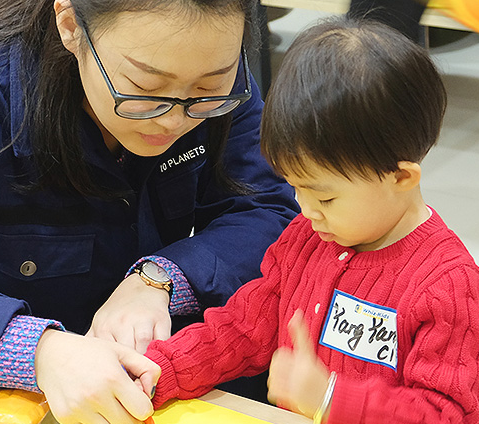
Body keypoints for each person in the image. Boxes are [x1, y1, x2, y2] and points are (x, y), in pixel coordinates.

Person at [144, 16, 479, 424]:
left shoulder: (448, 285)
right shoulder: (307, 238)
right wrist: (160, 369)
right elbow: (244, 328)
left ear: (401, 177)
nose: (305, 209)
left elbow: (448, 413)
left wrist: (330, 398)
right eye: (295, 188)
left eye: (325, 196)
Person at [0, 0, 298, 421]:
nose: (174, 121)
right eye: (146, 88)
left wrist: (158, 278)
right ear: (69, 25)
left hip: (168, 374)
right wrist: (36, 351)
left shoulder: (214, 73)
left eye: (208, 90)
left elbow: (266, 207)